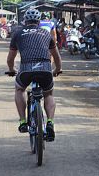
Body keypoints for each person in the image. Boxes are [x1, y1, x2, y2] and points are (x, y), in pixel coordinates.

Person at [7, 8, 62, 141]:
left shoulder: (18, 34)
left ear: (25, 21)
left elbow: (10, 59)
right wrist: (57, 70)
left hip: (26, 69)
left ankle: (22, 121)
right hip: (45, 69)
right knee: (48, 93)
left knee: (19, 89)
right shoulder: (46, 33)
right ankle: (50, 122)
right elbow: (57, 57)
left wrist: (11, 69)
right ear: (39, 22)